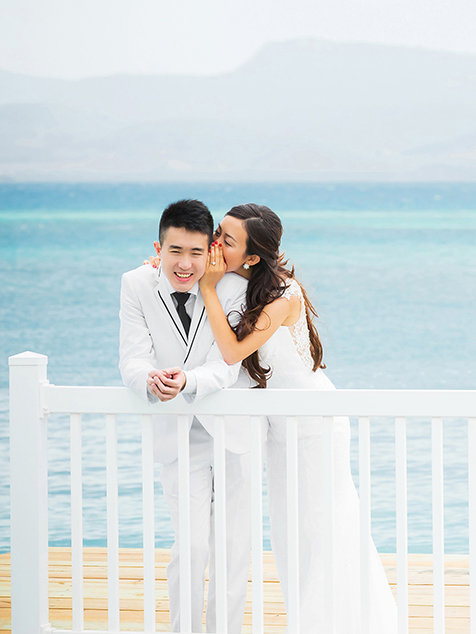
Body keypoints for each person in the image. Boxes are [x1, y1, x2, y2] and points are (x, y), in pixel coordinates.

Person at [199, 203, 397, 633]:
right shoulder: (243, 278)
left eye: (227, 240)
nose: (217, 243)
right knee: (291, 534)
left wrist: (209, 289)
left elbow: (234, 352)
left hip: (314, 425)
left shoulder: (285, 294)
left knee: (323, 531)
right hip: (282, 427)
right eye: (218, 232)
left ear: (253, 256)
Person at [119, 199, 252, 633]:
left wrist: (187, 382)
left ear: (211, 249)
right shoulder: (136, 283)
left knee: (233, 551)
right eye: (175, 251)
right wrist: (151, 380)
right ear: (158, 247)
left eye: (197, 252)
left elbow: (225, 365)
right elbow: (132, 358)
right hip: (177, 434)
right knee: (189, 548)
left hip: (233, 432)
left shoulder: (231, 287)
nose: (185, 263)